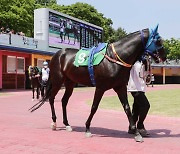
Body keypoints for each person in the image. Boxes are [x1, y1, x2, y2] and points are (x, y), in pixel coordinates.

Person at [127, 60, 150, 137]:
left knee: (136, 107)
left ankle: (131, 127)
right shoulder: (133, 61)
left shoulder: (143, 62)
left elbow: (144, 75)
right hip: (134, 88)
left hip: (141, 87)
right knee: (146, 105)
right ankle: (140, 126)